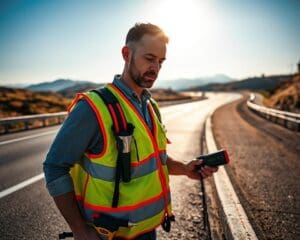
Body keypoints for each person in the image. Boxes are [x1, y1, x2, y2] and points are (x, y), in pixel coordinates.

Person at [43, 22, 218, 240]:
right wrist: (80, 230)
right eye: (149, 58)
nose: (155, 68)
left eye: (161, 62)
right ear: (127, 54)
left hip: (146, 231)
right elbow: (54, 167)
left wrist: (185, 169)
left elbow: (155, 159)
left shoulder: (149, 106)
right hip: (108, 234)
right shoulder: (94, 108)